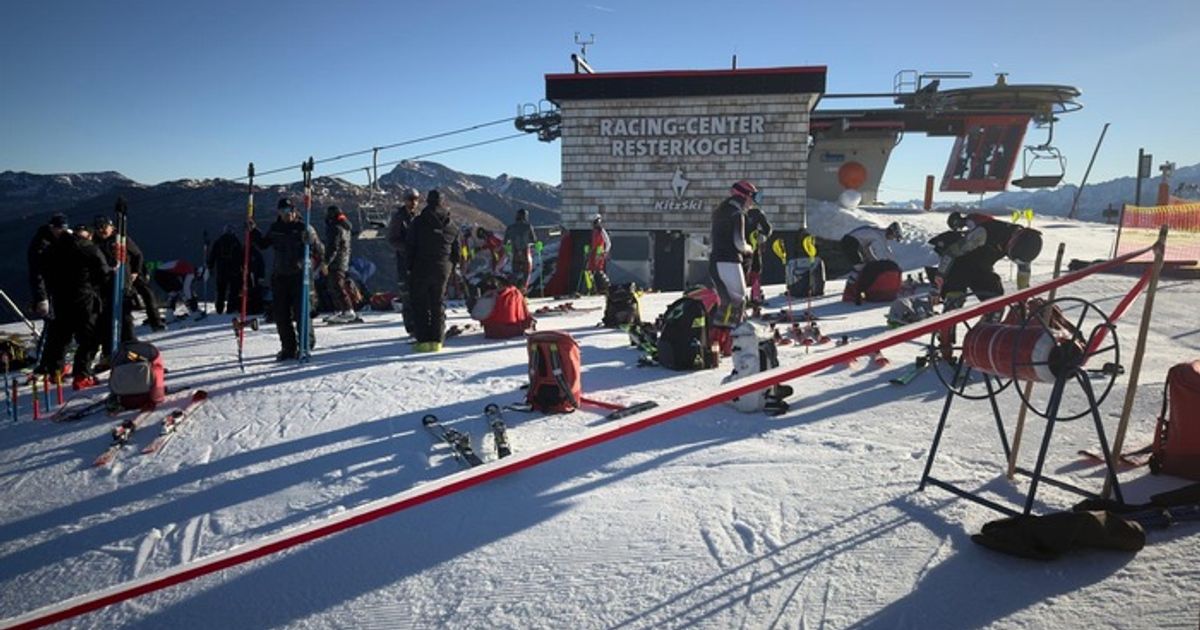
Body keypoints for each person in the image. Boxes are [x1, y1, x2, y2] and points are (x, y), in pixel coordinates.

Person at [250, 198, 324, 360]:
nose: (286, 214)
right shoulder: (276, 228)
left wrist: (310, 242)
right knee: (281, 315)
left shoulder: (304, 228)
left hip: (300, 277)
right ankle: (288, 348)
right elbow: (263, 244)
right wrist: (253, 231)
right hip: (280, 276)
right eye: (282, 211)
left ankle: (305, 345)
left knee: (301, 313)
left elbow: (320, 250)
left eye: (289, 211)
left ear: (294, 211)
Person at [37, 223, 109, 389]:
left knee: (61, 337)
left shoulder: (52, 249)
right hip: (84, 299)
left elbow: (42, 271)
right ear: (88, 235)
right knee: (89, 339)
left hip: (60, 299)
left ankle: (56, 371)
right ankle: (81, 374)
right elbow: (103, 272)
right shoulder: (88, 248)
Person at [406, 189, 460, 352]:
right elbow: (456, 253)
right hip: (443, 269)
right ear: (442, 203)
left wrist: (409, 267)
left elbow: (410, 247)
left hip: (421, 267)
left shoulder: (418, 222)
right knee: (438, 303)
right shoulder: (452, 225)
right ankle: (437, 341)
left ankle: (423, 341)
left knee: (420, 303)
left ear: (427, 201)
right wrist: (449, 267)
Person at [709, 180, 757, 354]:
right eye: (753, 197)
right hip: (729, 261)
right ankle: (732, 342)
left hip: (716, 261)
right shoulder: (737, 214)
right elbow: (739, 243)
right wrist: (750, 249)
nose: (752, 202)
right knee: (739, 301)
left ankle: (715, 341)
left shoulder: (720, 211)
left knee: (725, 302)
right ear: (744, 196)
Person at [944, 211, 1043, 291]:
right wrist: (940, 276)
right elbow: (953, 251)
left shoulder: (1025, 246)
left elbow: (1023, 270)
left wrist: (1023, 297)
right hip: (965, 258)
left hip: (983, 262)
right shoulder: (983, 232)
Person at [92, 214, 141, 356]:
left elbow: (137, 255)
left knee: (125, 319)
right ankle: (108, 353)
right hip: (103, 286)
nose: (101, 230)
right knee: (105, 320)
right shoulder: (95, 242)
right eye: (98, 228)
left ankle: (131, 348)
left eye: (104, 227)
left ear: (111, 227)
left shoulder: (120, 240)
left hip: (122, 283)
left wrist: (135, 272)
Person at [27, 213, 69, 362]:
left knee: (63, 321)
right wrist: (41, 297)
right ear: (52, 228)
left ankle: (56, 354)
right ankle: (41, 357)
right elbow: (37, 274)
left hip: (61, 286)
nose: (61, 232)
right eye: (59, 229)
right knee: (51, 322)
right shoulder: (41, 244)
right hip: (48, 288)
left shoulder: (61, 239)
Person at [387, 188, 421, 332]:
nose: (413, 202)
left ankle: (420, 324)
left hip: (418, 261)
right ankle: (411, 327)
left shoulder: (417, 216)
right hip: (405, 261)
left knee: (419, 293)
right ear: (405, 200)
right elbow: (392, 239)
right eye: (410, 199)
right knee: (407, 295)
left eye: (415, 199)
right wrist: (407, 248)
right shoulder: (399, 217)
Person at [840, 222, 902, 297]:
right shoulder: (880, 236)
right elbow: (886, 253)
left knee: (864, 265)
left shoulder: (877, 233)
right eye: (894, 237)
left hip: (850, 241)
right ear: (891, 232)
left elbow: (867, 249)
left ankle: (854, 288)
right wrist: (896, 266)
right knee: (859, 267)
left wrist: (873, 261)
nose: (892, 239)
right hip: (850, 242)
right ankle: (849, 291)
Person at [322, 205, 358, 323]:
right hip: (343, 260)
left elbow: (333, 247)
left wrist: (326, 262)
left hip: (336, 261)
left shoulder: (335, 228)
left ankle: (347, 310)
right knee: (334, 285)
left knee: (337, 286)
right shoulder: (345, 226)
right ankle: (341, 310)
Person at [206, 224, 243, 315]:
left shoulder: (218, 242)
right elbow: (240, 256)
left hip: (221, 270)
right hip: (234, 271)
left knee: (221, 290)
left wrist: (210, 266)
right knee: (233, 291)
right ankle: (230, 308)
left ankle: (219, 308)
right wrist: (241, 268)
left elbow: (212, 256)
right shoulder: (236, 242)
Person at [743, 203, 773, 305]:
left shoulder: (736, 212)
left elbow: (767, 229)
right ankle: (755, 295)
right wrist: (762, 235)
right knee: (755, 269)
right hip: (752, 245)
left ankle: (744, 297)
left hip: (740, 247)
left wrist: (762, 235)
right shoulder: (756, 213)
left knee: (745, 271)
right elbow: (767, 229)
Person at [504, 208, 538, 292]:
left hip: (515, 253)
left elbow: (505, 242)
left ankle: (513, 291)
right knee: (527, 272)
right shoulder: (528, 227)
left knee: (515, 273)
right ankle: (523, 290)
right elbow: (534, 240)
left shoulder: (510, 227)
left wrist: (508, 249)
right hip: (525, 253)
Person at [583, 214, 612, 294]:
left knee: (598, 271)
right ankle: (591, 289)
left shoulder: (601, 231)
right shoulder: (592, 232)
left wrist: (605, 252)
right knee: (588, 271)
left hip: (598, 254)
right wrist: (586, 253)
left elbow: (608, 242)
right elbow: (588, 243)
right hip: (592, 254)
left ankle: (604, 288)